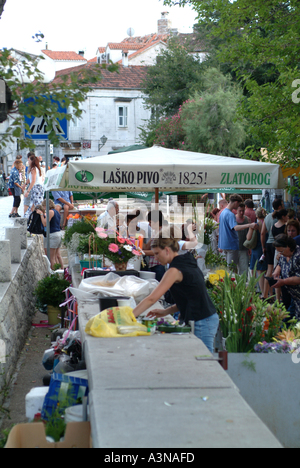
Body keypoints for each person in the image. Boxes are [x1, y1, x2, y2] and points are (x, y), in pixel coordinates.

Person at [132, 230, 219, 354]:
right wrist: (165, 311)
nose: (155, 257)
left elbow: (152, 299)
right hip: (207, 317)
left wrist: (129, 317)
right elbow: (190, 296)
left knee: (204, 360)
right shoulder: (187, 260)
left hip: (201, 319)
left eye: (157, 253)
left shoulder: (174, 270)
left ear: (167, 250)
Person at [218, 194, 257, 270]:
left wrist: (219, 244)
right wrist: (249, 225)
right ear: (236, 202)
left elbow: (221, 229)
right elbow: (236, 227)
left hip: (224, 245)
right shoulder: (230, 214)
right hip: (231, 245)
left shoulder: (222, 213)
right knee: (231, 270)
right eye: (238, 204)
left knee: (227, 269)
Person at [261, 198, 284, 298]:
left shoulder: (267, 217)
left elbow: (262, 232)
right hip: (277, 245)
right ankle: (278, 296)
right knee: (277, 270)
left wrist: (263, 247)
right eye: (282, 204)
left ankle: (265, 294)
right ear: (279, 206)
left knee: (269, 270)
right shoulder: (281, 217)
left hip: (268, 244)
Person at [273, 234, 300, 320]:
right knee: (286, 323)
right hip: (294, 297)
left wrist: (284, 281)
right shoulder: (284, 255)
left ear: (288, 246)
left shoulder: (298, 256)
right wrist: (277, 270)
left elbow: (299, 278)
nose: (280, 254)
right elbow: (280, 264)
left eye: (281, 251)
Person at [36, 199, 64, 270]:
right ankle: (62, 272)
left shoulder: (50, 212)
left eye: (43, 206)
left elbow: (45, 223)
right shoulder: (56, 212)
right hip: (58, 234)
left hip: (52, 235)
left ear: (46, 205)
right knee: (57, 255)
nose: (43, 208)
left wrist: (41, 214)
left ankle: (54, 274)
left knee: (51, 257)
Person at [247, 207, 268, 295]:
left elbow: (248, 238)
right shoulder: (267, 224)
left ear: (256, 215)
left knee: (259, 272)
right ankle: (267, 292)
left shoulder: (255, 225)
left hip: (256, 249)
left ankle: (263, 293)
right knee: (266, 271)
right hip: (266, 248)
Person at [143, 210, 165, 281]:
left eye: (150, 222)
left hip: (159, 265)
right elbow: (147, 247)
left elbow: (156, 251)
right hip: (153, 265)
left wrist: (141, 252)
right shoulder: (155, 232)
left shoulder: (162, 233)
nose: (149, 224)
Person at [235, 203, 250, 276]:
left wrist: (249, 247)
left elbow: (250, 234)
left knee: (244, 269)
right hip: (234, 248)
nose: (241, 212)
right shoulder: (233, 219)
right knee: (233, 269)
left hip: (244, 248)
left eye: (243, 211)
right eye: (240, 211)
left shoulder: (247, 219)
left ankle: (243, 285)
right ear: (236, 210)